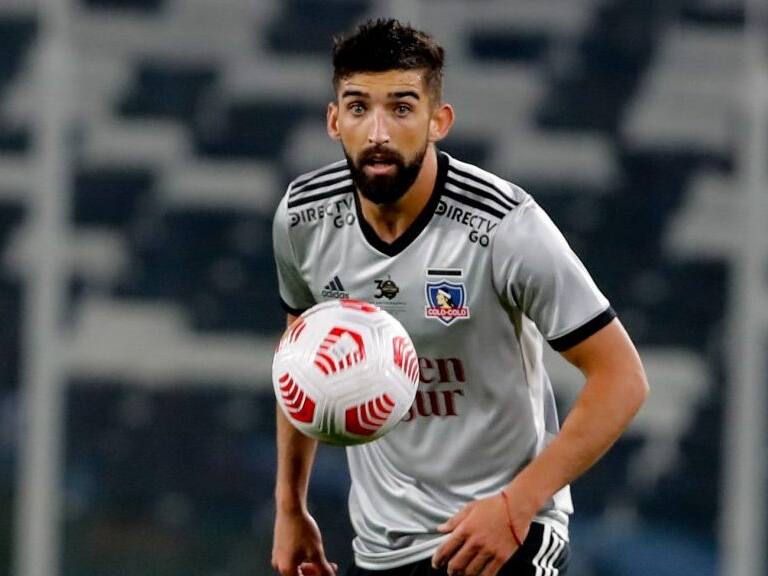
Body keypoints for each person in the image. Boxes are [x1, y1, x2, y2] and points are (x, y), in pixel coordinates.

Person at [271, 18, 648, 576]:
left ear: (437, 121)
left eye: (401, 108)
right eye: (358, 108)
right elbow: (300, 363)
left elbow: (621, 379)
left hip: (506, 532)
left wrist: (517, 506)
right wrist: (290, 507)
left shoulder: (504, 226)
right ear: (333, 121)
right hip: (381, 545)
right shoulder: (303, 219)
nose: (377, 131)